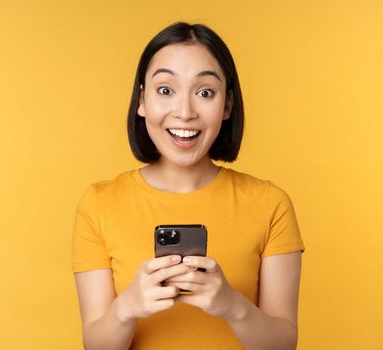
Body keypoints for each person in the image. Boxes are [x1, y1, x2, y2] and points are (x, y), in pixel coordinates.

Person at [71, 22, 305, 350]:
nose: (184, 112)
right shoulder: (99, 204)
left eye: (205, 92)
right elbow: (96, 345)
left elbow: (283, 345)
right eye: (165, 90)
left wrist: (232, 305)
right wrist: (127, 308)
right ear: (141, 100)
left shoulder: (270, 203)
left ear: (227, 106)